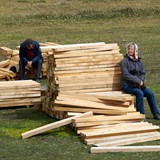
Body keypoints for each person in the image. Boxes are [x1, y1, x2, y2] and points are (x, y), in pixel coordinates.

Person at [120, 42, 160, 120]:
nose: (130, 50)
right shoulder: (124, 61)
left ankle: (156, 113)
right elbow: (126, 75)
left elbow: (142, 73)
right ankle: (141, 115)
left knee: (150, 93)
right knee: (139, 93)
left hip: (138, 85)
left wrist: (141, 80)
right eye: (129, 49)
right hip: (127, 85)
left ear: (135, 50)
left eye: (132, 49)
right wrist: (138, 81)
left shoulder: (138, 61)